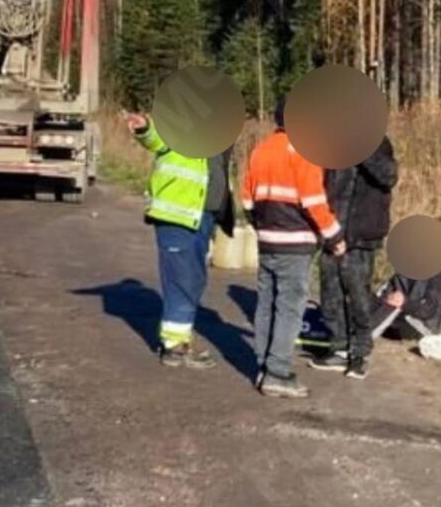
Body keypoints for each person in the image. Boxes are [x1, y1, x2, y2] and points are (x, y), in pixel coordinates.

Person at [243, 99, 345, 397]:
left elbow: (248, 199)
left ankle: (264, 365)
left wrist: (262, 227)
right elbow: (314, 202)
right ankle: (278, 371)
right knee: (290, 308)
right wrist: (335, 237)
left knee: (266, 304)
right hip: (296, 242)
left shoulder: (261, 149)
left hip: (267, 240)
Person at [127, 110, 235, 368]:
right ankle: (174, 347)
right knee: (181, 279)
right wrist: (144, 128)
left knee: (194, 279)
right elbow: (156, 138)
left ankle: (179, 340)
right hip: (177, 217)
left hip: (202, 218)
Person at [305, 137, 398, 379]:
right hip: (332, 230)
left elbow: (388, 176)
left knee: (358, 293)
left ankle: (360, 352)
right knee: (330, 292)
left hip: (361, 234)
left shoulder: (378, 143)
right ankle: (338, 346)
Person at [368, 267, 441, 342]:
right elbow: (383, 293)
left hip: (423, 325)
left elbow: (428, 310)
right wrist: (388, 297)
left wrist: (405, 302)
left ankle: (365, 334)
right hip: (402, 319)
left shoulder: (436, 275)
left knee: (397, 303)